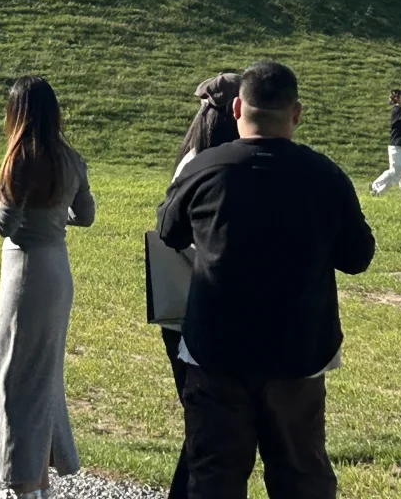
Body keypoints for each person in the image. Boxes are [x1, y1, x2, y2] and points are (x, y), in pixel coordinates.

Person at [157, 61, 375, 499]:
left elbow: (168, 232)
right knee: (301, 477)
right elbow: (358, 257)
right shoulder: (325, 176)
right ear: (296, 113)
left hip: (214, 353)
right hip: (298, 355)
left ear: (237, 107)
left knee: (214, 478)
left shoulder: (205, 169)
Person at [0, 76, 95, 499]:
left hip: (25, 273)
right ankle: (38, 483)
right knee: (43, 377)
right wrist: (55, 217)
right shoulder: (71, 158)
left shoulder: (21, 159)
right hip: (59, 269)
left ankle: (22, 484)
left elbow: (7, 226)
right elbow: (86, 215)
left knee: (15, 380)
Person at [155, 73, 241, 499]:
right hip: (196, 305)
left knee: (204, 424)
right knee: (205, 425)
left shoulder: (195, 158)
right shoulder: (208, 165)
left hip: (190, 306)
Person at [369, 89, 401, 201]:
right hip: (397, 145)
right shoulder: (397, 110)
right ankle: (376, 186)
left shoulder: (400, 111)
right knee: (395, 172)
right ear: (396, 99)